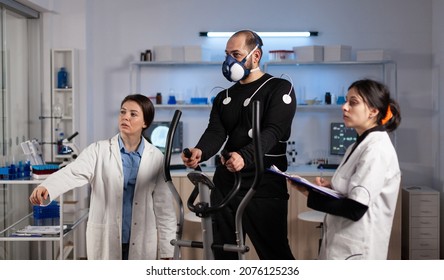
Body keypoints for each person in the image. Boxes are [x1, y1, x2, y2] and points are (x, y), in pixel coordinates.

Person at [181, 30, 296, 260]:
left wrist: (245, 155)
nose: (229, 61)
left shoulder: (279, 89)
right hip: (227, 185)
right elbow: (216, 132)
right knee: (223, 254)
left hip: (263, 185)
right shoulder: (224, 97)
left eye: (236, 54)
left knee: (275, 256)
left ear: (256, 56)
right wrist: (200, 151)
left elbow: (273, 132)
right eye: (227, 55)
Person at [29, 94, 176, 260]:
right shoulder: (98, 150)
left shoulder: (156, 157)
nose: (125, 117)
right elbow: (72, 172)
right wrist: (47, 187)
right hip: (107, 237)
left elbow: (164, 208)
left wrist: (167, 251)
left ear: (145, 122)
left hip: (141, 240)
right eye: (123, 112)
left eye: (133, 114)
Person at [290, 79, 401, 260]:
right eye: (346, 101)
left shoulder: (376, 149)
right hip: (342, 244)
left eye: (353, 102)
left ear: (374, 111)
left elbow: (355, 209)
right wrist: (329, 189)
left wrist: (311, 195)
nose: (344, 107)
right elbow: (354, 191)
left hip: (358, 249)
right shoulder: (358, 145)